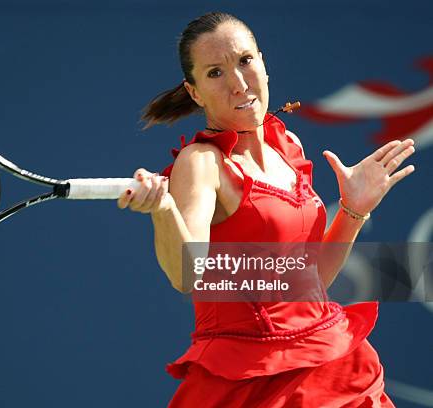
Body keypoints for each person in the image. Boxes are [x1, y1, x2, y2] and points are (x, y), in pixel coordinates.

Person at [117, 12, 416, 408]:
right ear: (194, 92)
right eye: (215, 73)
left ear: (263, 63)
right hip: (252, 384)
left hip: (334, 365)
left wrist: (353, 210)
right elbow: (187, 274)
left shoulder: (287, 146)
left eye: (245, 60)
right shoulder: (202, 162)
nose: (239, 83)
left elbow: (311, 280)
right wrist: (163, 209)